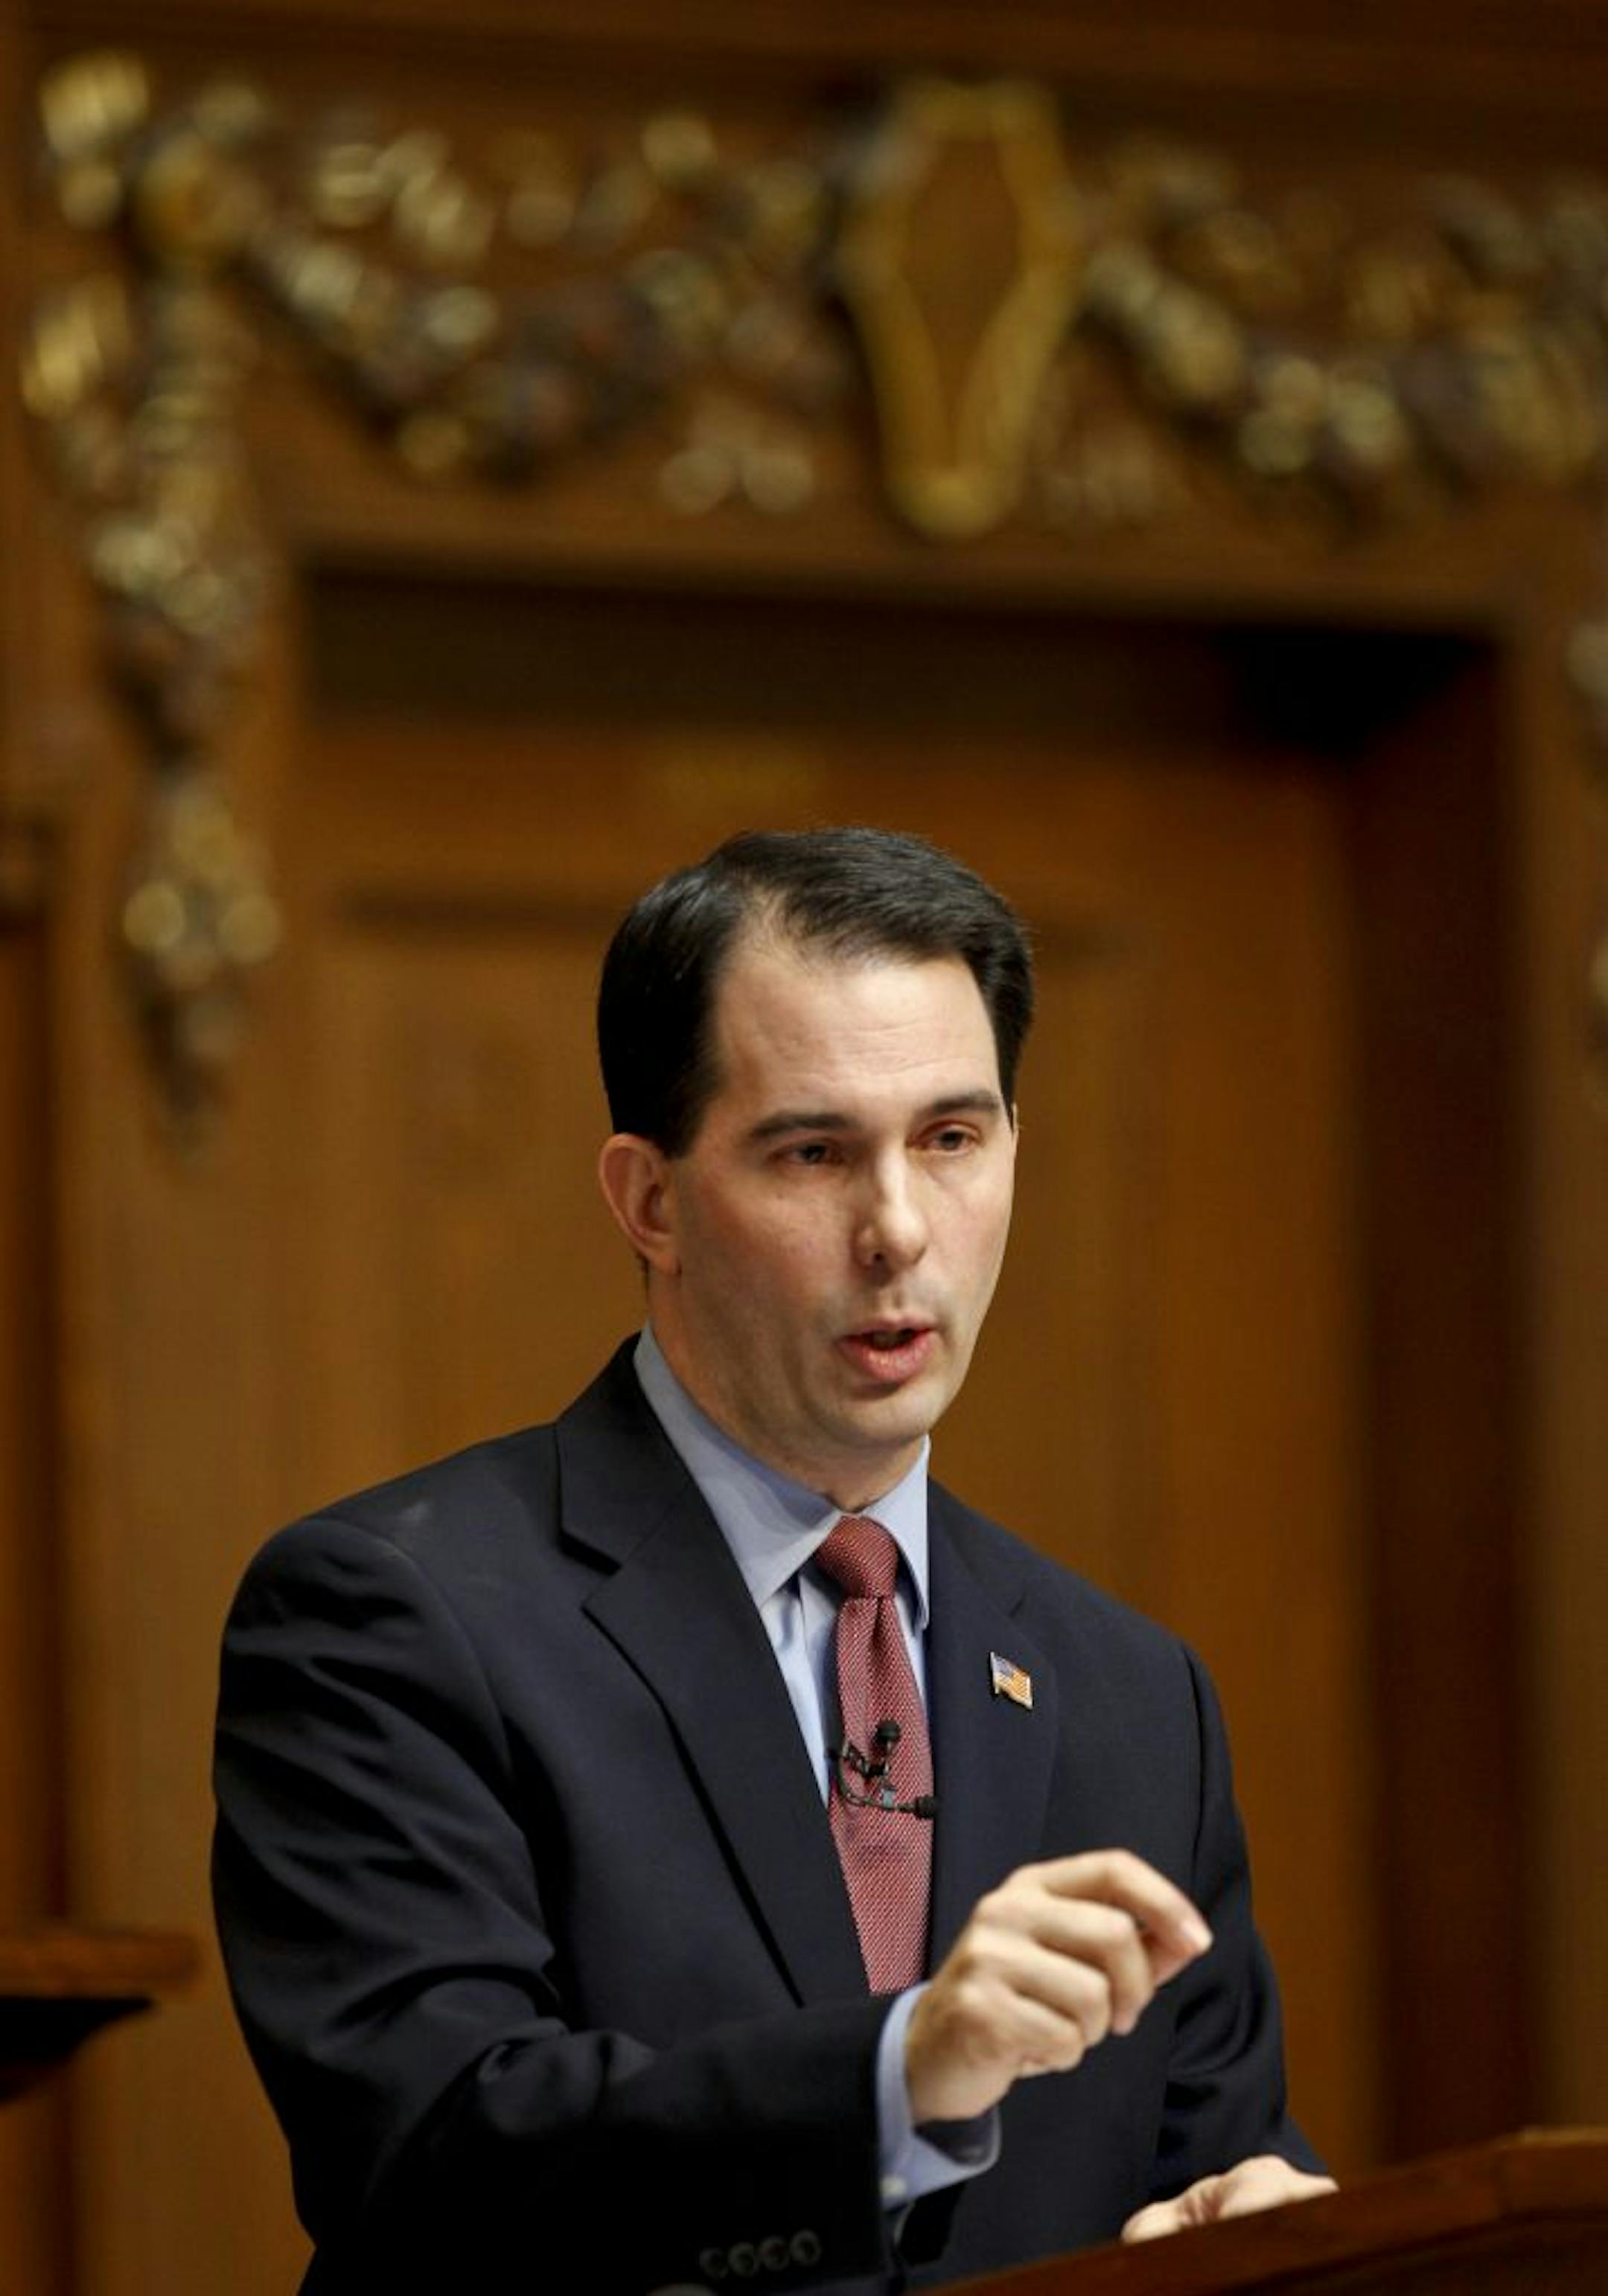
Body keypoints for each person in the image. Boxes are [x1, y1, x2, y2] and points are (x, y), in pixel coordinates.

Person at [213, 826, 1333, 2295]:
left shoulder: (1133, 1696)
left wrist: (1260, 2232)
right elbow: (433, 2160)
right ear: (649, 1199)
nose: (899, 1230)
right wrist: (895, 2070)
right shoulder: (390, 1615)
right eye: (813, 1151)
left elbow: (1203, 2165)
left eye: (952, 1138)